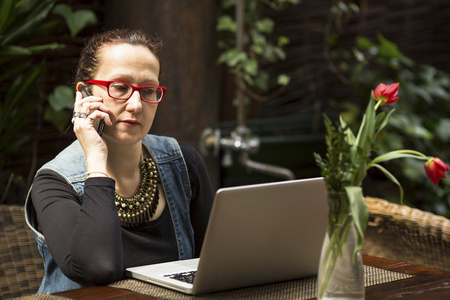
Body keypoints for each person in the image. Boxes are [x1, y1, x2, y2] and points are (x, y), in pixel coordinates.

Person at [25, 28, 214, 294]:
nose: (136, 104)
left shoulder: (182, 162)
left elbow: (215, 262)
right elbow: (98, 267)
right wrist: (96, 158)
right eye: (120, 87)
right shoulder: (54, 182)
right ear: (85, 94)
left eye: (148, 90)